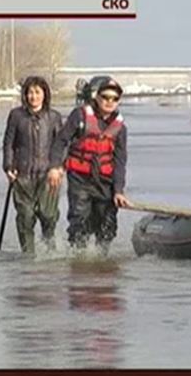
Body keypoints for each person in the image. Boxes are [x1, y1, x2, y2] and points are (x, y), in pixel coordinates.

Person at [47, 76, 131, 253]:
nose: (109, 102)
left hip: (105, 182)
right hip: (80, 179)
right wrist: (55, 167)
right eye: (105, 97)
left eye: (114, 99)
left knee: (107, 226)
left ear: (118, 101)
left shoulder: (120, 129)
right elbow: (61, 141)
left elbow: (120, 161)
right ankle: (79, 265)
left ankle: (102, 266)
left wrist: (118, 191)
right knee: (80, 223)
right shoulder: (79, 115)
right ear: (97, 97)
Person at [2, 76, 63, 253]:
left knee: (48, 215)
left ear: (45, 94)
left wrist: (58, 167)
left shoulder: (54, 117)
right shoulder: (16, 116)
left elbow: (61, 145)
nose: (33, 96)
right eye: (30, 92)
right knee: (25, 217)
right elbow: (8, 143)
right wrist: (8, 167)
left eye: (37, 92)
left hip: (48, 175)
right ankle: (28, 256)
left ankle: (50, 253)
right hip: (22, 175)